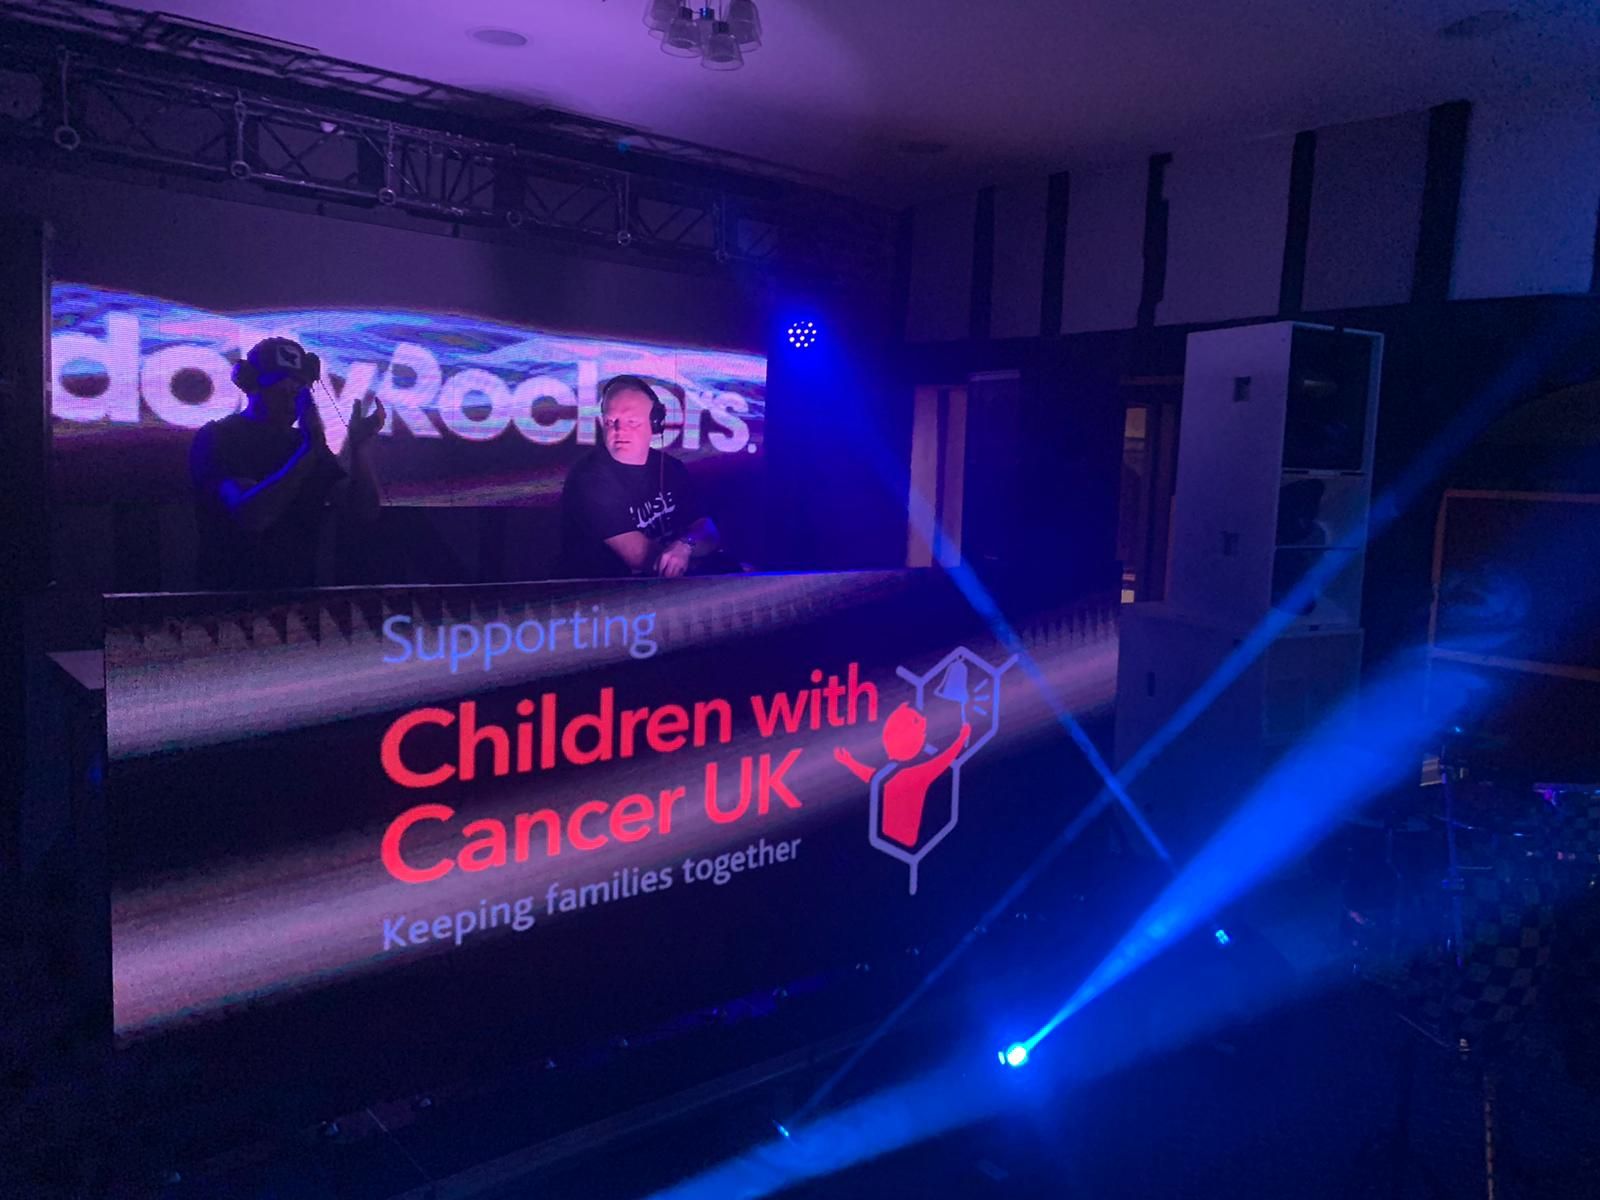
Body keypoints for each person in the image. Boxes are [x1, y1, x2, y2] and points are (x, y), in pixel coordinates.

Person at [190, 337, 384, 590]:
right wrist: (307, 451)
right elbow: (253, 516)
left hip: (300, 596)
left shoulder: (306, 443)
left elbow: (363, 511)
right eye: (280, 383)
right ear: (250, 383)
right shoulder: (220, 436)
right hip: (230, 597)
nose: (293, 392)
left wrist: (359, 448)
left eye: (300, 384)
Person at [559, 374, 723, 578]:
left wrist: (685, 546)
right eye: (611, 421)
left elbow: (707, 530)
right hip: (608, 593)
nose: (620, 430)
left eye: (632, 422)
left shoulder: (671, 468)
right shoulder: (588, 479)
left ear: (654, 424)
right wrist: (713, 570)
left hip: (667, 590)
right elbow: (646, 559)